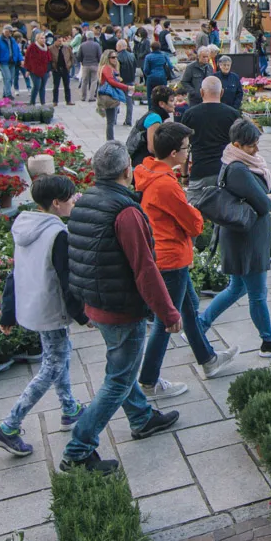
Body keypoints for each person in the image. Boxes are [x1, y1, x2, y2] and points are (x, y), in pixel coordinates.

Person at [60, 143, 183, 473]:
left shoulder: (85, 201)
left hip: (98, 303)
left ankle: (141, 417)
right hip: (119, 308)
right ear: (126, 171)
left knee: (121, 367)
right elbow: (145, 269)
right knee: (118, 379)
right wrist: (169, 314)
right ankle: (78, 449)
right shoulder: (125, 212)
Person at [0, 175, 86, 457]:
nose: (74, 200)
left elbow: (15, 273)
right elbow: (67, 282)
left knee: (60, 355)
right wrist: (82, 315)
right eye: (70, 197)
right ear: (56, 203)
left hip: (32, 304)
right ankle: (8, 426)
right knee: (52, 366)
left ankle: (69, 408)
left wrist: (7, 314)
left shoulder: (25, 225)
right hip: (50, 308)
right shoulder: (58, 235)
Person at [135, 121, 236, 385]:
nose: (188, 153)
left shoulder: (150, 173)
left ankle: (208, 360)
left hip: (166, 252)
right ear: (173, 153)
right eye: (186, 148)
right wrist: (193, 210)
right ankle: (148, 380)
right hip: (171, 258)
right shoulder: (165, 185)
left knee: (189, 309)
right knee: (167, 320)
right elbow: (194, 224)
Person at [197, 118, 271, 357]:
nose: (257, 149)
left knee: (237, 287)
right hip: (246, 239)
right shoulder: (238, 168)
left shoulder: (241, 161)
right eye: (252, 145)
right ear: (238, 145)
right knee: (257, 294)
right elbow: (264, 202)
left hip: (243, 236)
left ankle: (199, 325)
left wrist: (270, 194)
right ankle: (268, 341)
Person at [130, 85, 175, 167]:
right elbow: (152, 148)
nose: (174, 104)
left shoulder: (153, 114)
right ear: (162, 103)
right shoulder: (155, 117)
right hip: (141, 162)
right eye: (171, 101)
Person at [98, 49, 132, 141]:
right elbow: (111, 81)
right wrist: (127, 87)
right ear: (107, 58)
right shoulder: (107, 68)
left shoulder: (107, 68)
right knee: (110, 121)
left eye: (116, 57)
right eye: (113, 57)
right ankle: (110, 141)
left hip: (110, 95)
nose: (115, 59)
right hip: (110, 95)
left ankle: (110, 140)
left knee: (111, 120)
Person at [0, 27, 22, 100]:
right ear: (4, 31)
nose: (9, 33)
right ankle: (8, 94)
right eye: (8, 31)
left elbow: (17, 50)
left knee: (10, 78)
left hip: (12, 61)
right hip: (3, 62)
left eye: (10, 32)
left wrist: (20, 59)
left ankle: (5, 93)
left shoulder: (12, 40)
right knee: (7, 78)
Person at [142, 42, 177, 106]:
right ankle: (162, 109)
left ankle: (151, 110)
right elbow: (170, 66)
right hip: (162, 77)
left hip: (151, 78)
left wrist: (149, 75)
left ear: (151, 48)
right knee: (163, 95)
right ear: (159, 47)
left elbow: (145, 70)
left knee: (150, 95)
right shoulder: (164, 55)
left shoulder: (148, 57)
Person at [23, 31, 51, 106]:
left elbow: (49, 60)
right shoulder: (32, 47)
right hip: (34, 70)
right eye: (41, 38)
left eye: (44, 38)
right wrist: (28, 70)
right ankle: (32, 102)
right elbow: (28, 59)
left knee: (43, 87)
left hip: (45, 70)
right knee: (36, 86)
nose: (43, 39)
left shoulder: (46, 47)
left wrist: (49, 71)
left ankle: (43, 103)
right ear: (37, 39)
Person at [76, 29, 102, 101]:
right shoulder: (97, 45)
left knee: (84, 81)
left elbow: (78, 56)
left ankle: (83, 97)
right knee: (94, 81)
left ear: (86, 37)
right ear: (93, 37)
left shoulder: (82, 45)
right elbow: (100, 55)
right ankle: (91, 97)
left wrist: (81, 61)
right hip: (94, 64)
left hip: (85, 65)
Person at [117, 39, 137, 125]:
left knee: (116, 99)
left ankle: (114, 118)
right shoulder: (132, 55)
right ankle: (128, 120)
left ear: (120, 47)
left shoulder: (117, 57)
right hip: (130, 81)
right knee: (129, 101)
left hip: (120, 81)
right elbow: (135, 67)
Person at [50, 35, 74, 105]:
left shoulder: (67, 48)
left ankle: (68, 100)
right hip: (56, 69)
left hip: (65, 69)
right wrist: (53, 67)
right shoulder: (51, 49)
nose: (60, 42)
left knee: (67, 86)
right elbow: (49, 60)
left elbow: (72, 57)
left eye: (61, 41)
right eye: (59, 41)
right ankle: (55, 101)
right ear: (55, 41)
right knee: (56, 86)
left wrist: (70, 65)